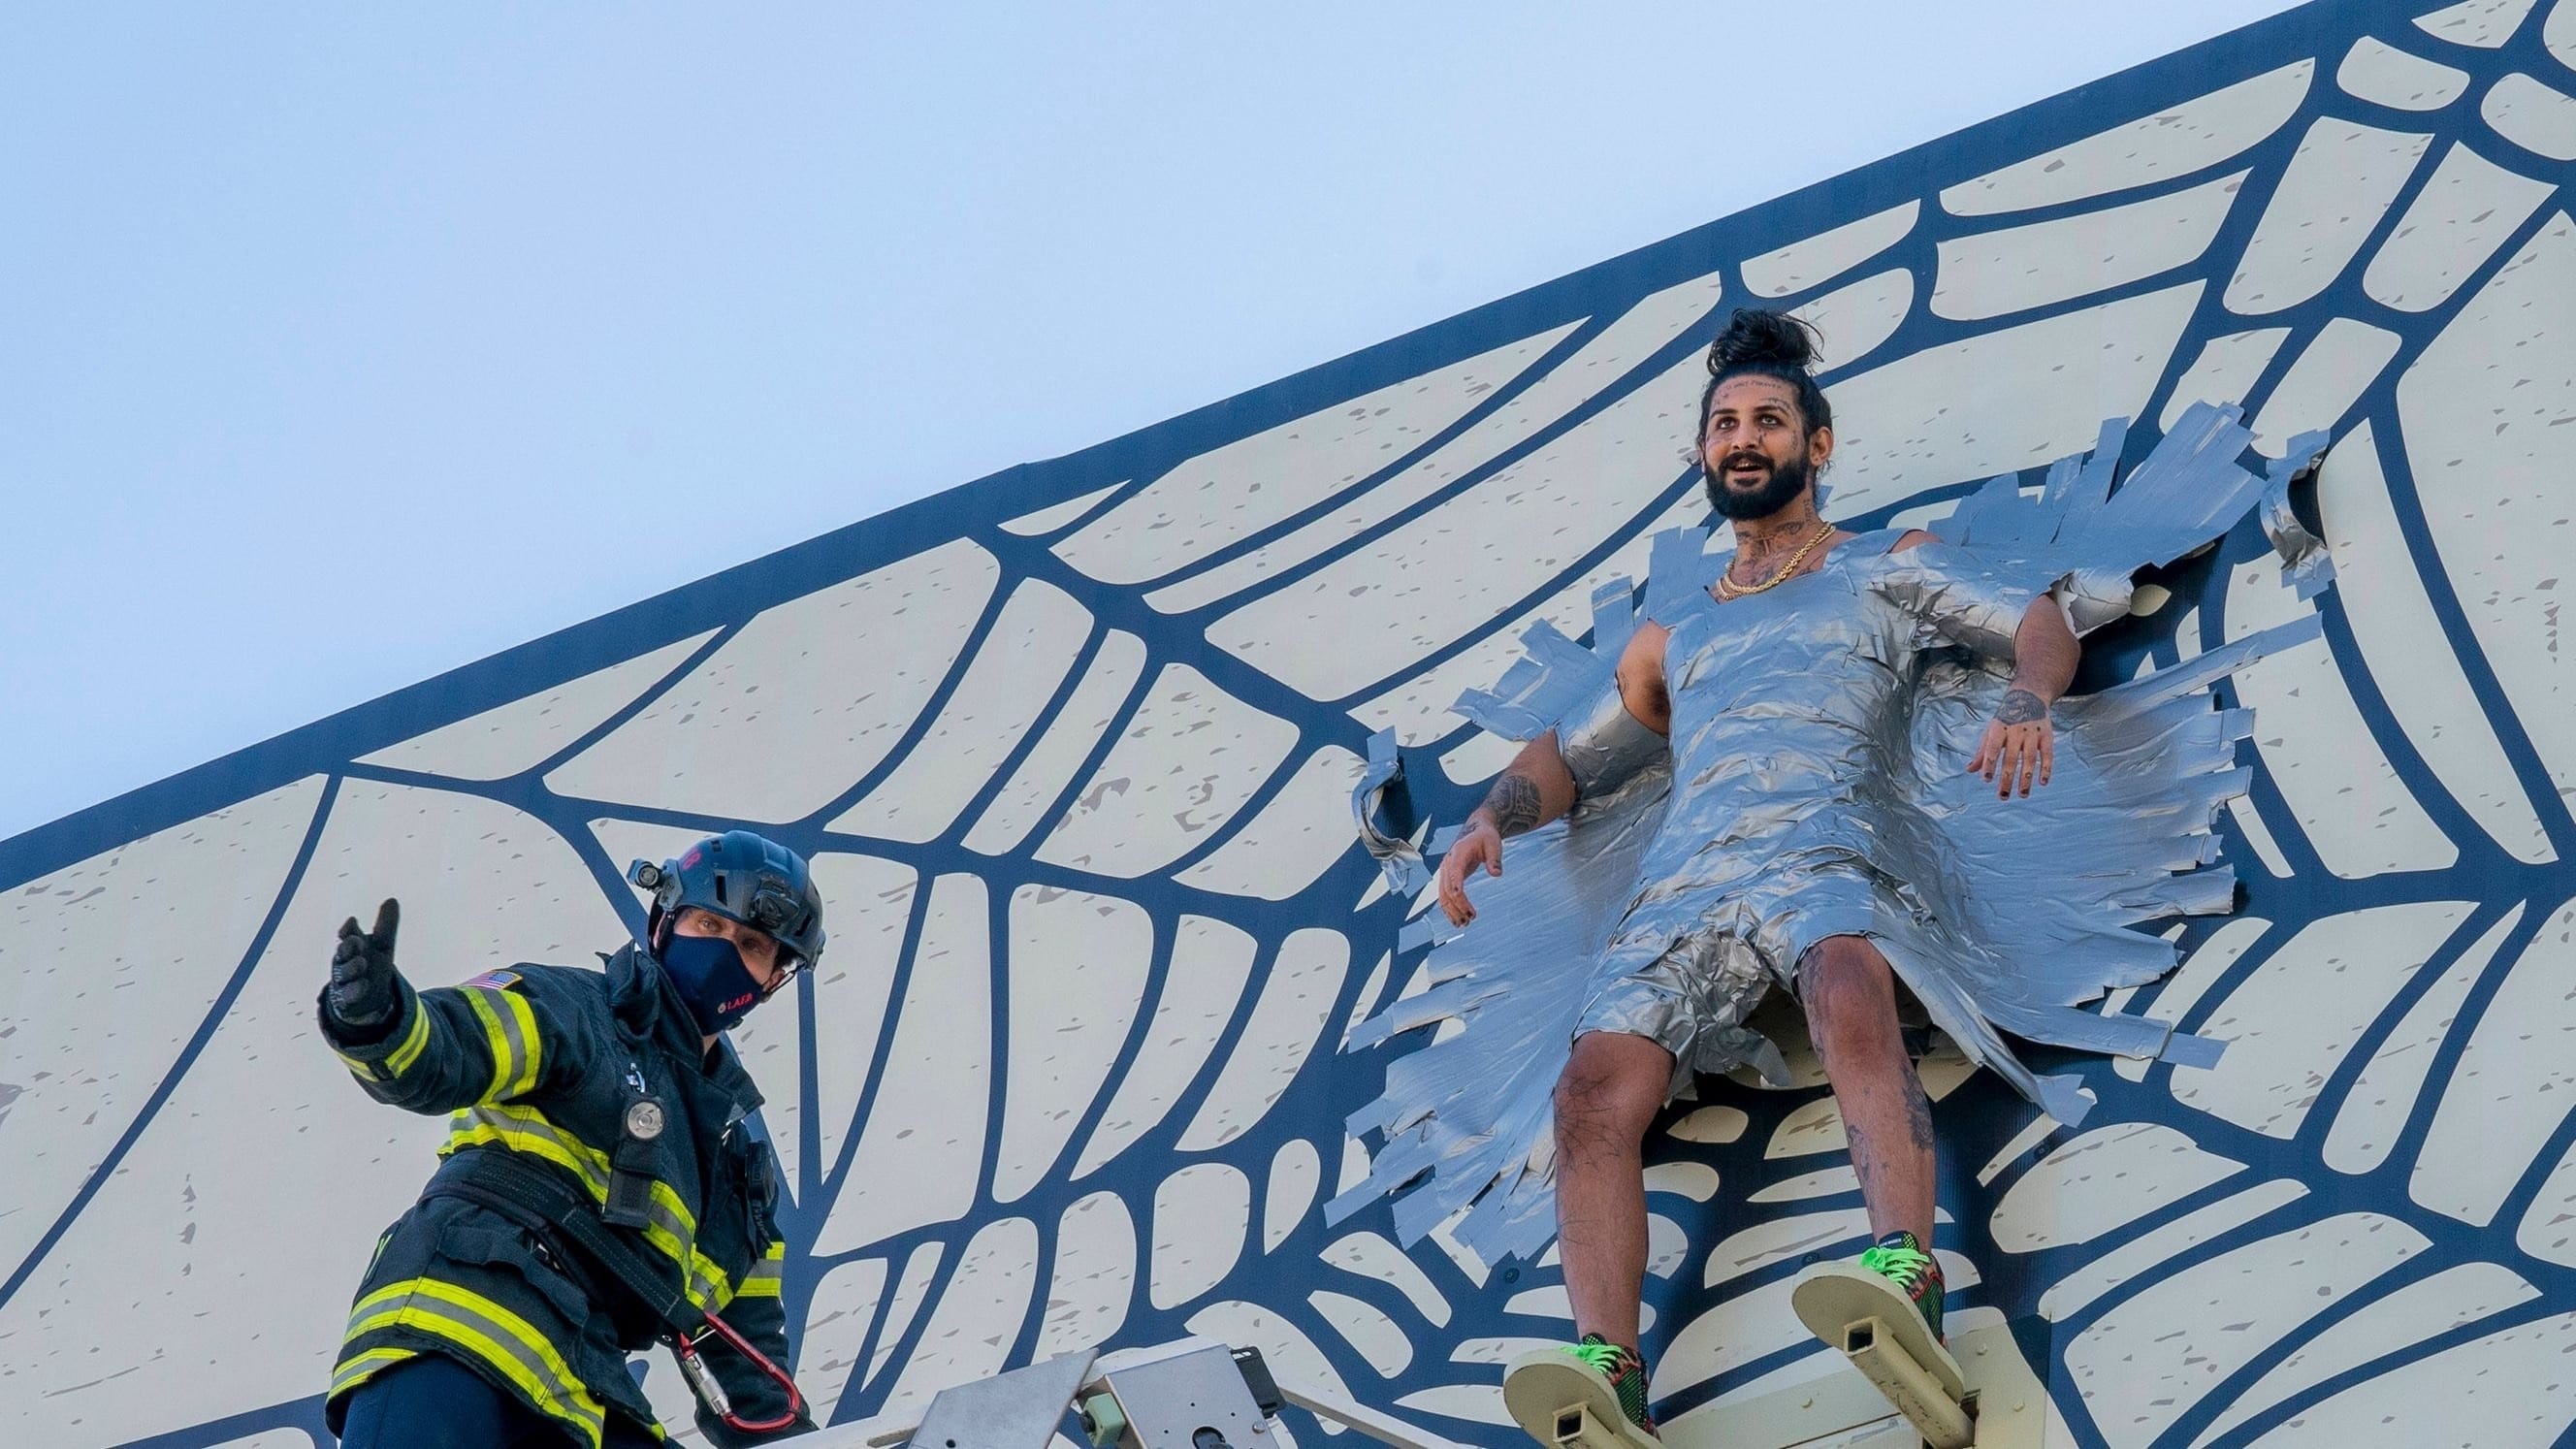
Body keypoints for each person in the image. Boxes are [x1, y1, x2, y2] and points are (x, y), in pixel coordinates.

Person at [1453, 311, 2079, 1443]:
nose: (1744, 439)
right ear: (1703, 451)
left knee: (1846, 985)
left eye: (1768, 420)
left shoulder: (1882, 566)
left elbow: (2038, 621)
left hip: (1828, 840)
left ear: (1815, 443)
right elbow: (1570, 755)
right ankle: (1608, 1369)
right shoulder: (1677, 631)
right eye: (1725, 424)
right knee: (1588, 1093)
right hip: (1686, 880)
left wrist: (2027, 699)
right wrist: (1488, 818)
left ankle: (1903, 1268)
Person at [318, 829, 824, 1448]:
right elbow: (443, 1054)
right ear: (664, 922)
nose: (723, 951)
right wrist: (379, 1019)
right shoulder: (572, 1008)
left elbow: (755, 1391)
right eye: (708, 925)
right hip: (451, 1326)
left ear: (774, 978)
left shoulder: (736, 1181)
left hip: (581, 1387)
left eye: (751, 945)